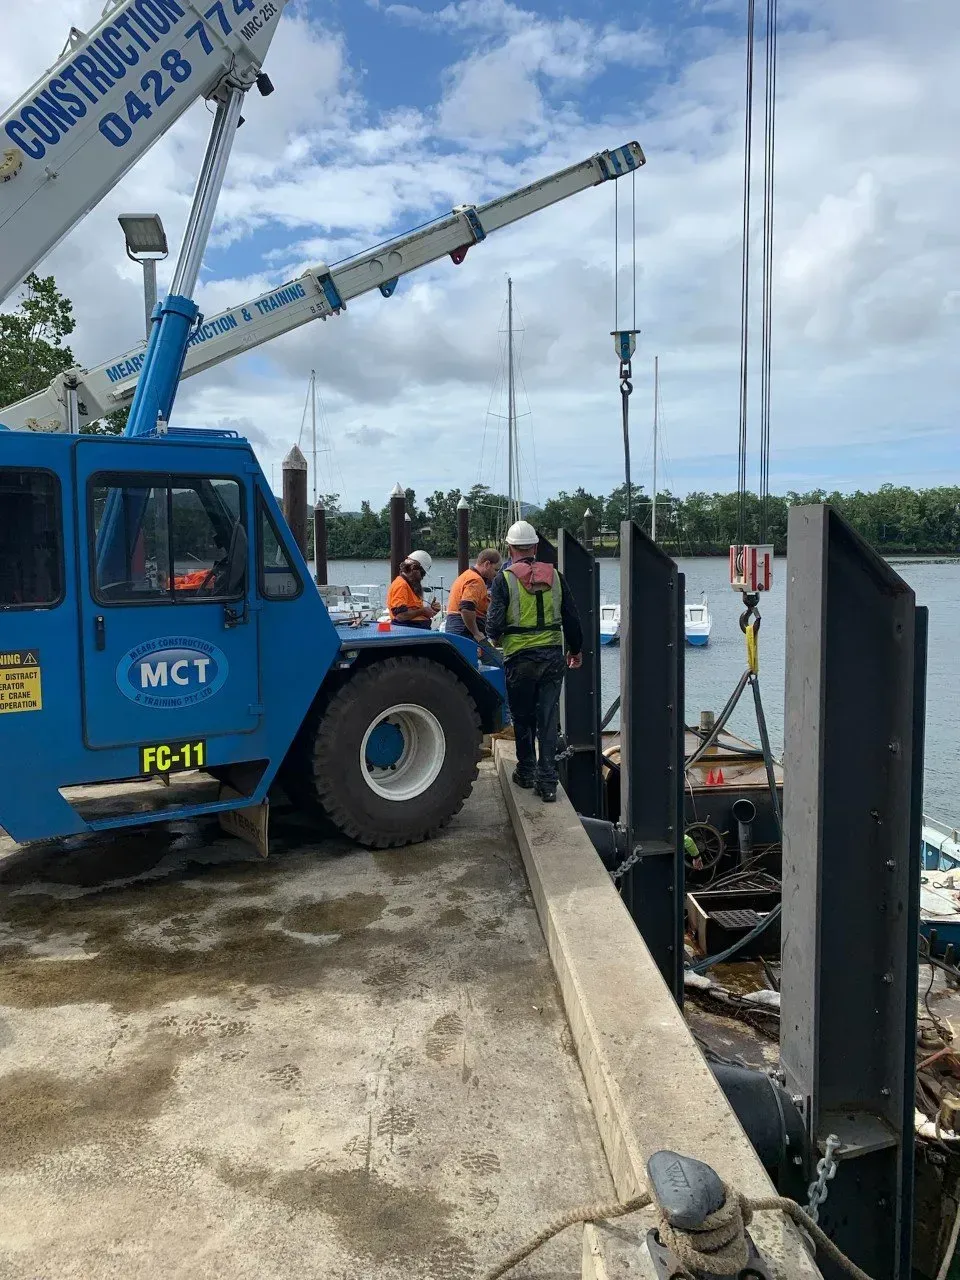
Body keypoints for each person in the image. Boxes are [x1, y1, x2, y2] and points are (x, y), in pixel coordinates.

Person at [486, 520, 583, 802]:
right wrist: (576, 650)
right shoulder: (556, 577)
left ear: (510, 548)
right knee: (548, 719)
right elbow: (572, 617)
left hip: (519, 659)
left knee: (522, 717)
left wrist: (495, 638)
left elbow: (494, 625)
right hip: (552, 657)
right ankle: (548, 782)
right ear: (536, 547)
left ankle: (526, 772)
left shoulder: (504, 580)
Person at [445, 548, 502, 663]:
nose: (496, 574)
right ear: (487, 564)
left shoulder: (466, 575)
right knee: (497, 662)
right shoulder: (476, 580)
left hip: (456, 629)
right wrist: (476, 633)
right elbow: (466, 607)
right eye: (496, 570)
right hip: (465, 632)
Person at [386, 550, 441, 629]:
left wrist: (431, 610)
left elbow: (414, 612)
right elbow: (400, 616)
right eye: (422, 573)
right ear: (413, 568)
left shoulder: (409, 585)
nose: (422, 577)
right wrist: (423, 611)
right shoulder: (401, 585)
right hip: (408, 630)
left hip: (416, 629)